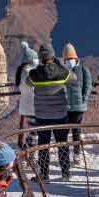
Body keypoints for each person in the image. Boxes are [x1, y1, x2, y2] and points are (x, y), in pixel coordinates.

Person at [28, 45, 71, 182]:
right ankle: (65, 173)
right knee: (62, 144)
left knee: (43, 146)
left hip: (42, 116)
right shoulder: (62, 73)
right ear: (53, 57)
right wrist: (59, 65)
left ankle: (44, 174)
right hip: (60, 115)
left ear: (40, 58)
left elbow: (26, 83)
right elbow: (73, 79)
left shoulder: (34, 74)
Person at [63, 43, 92, 165]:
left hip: (78, 108)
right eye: (67, 59)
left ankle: (76, 155)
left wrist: (83, 99)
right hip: (65, 107)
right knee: (63, 133)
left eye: (71, 59)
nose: (70, 61)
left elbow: (88, 86)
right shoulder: (62, 71)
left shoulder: (83, 69)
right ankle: (64, 156)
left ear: (76, 58)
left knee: (76, 132)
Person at [15, 42, 39, 161]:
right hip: (32, 106)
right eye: (35, 59)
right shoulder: (29, 73)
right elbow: (35, 87)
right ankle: (30, 155)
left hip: (26, 105)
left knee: (31, 131)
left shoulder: (21, 72)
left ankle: (28, 154)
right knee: (34, 132)